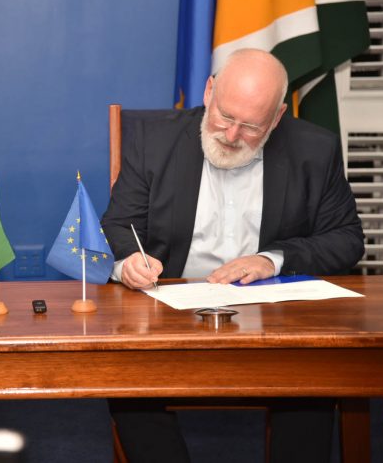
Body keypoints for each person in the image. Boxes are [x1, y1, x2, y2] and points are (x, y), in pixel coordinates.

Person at [101, 49, 364, 463]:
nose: (231, 134)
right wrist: (129, 263)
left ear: (276, 118)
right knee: (127, 381)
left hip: (273, 322)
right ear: (209, 91)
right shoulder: (155, 140)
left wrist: (271, 260)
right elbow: (118, 225)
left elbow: (347, 240)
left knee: (312, 382)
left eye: (251, 126)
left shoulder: (315, 150)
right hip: (170, 317)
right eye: (224, 116)